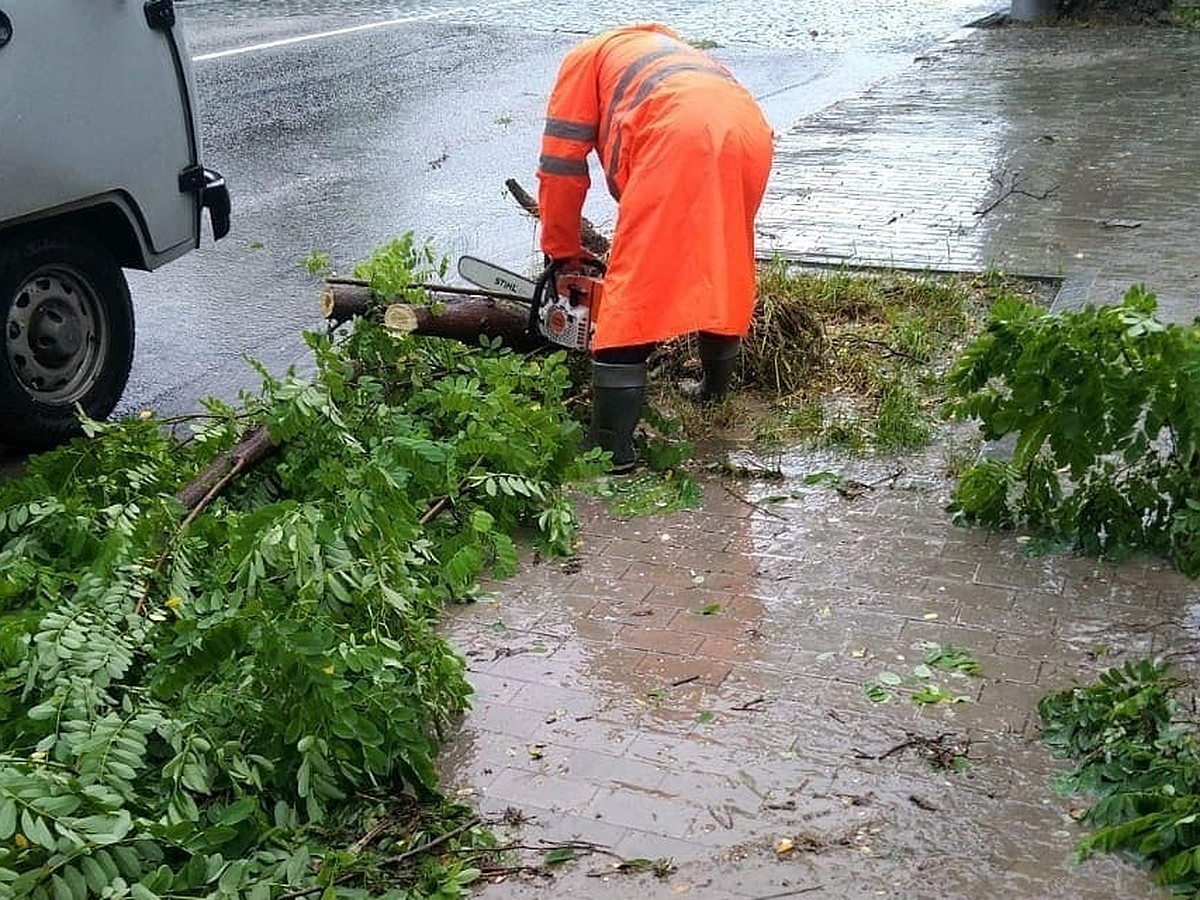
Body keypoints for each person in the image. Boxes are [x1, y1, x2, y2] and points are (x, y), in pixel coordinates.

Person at [536, 22, 775, 474]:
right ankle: (714, 388)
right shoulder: (665, 50)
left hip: (677, 135)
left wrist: (561, 250)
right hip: (749, 132)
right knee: (723, 261)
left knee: (635, 288)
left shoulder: (583, 61)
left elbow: (560, 168)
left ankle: (610, 447)